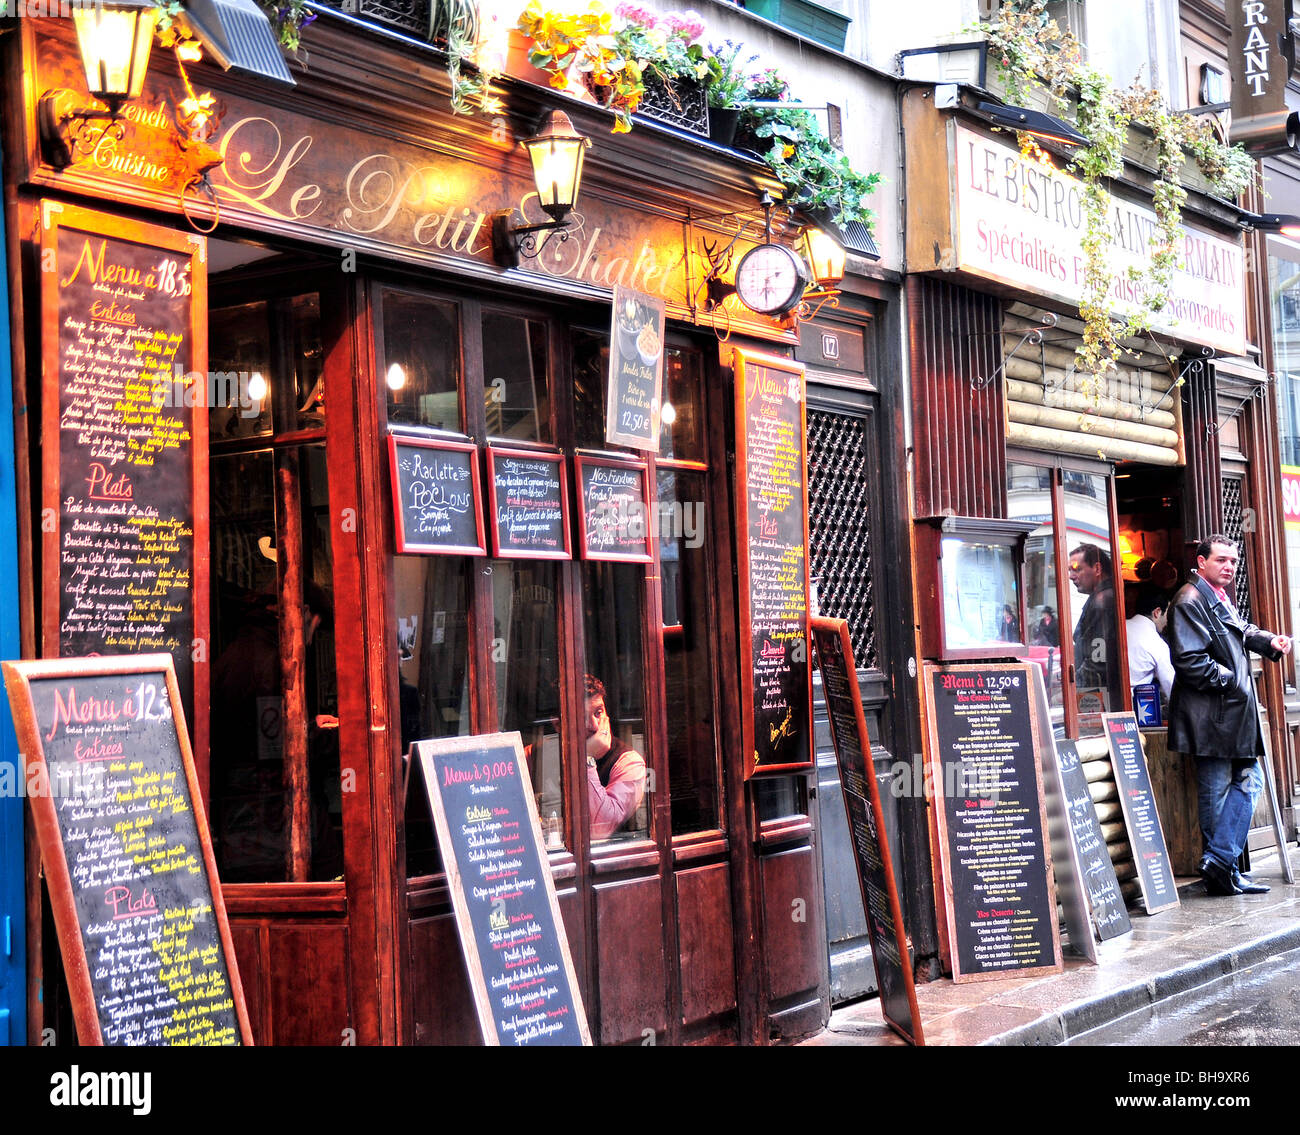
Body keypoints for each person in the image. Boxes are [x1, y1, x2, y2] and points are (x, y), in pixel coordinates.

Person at [1166, 535, 1291, 896]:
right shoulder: (1189, 599)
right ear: (1201, 561)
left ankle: (1222, 864)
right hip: (1211, 716)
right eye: (1221, 560)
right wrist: (1232, 681)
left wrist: (1269, 641)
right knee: (1218, 793)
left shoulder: (1216, 596)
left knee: (1246, 781)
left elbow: (1239, 630)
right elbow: (1190, 660)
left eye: (1233, 562)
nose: (1229, 567)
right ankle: (1222, 870)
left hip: (1227, 714)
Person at [584, 674, 646, 840]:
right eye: (581, 717)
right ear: (558, 724)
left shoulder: (630, 762)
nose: (595, 725)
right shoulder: (536, 755)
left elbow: (601, 829)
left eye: (598, 712)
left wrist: (587, 758)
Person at [1068, 543, 1121, 708]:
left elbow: (1098, 659)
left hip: (1099, 698)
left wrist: (1073, 686)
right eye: (1069, 570)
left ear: (1097, 568)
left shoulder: (1103, 602)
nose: (1071, 576)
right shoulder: (1101, 598)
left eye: (1076, 569)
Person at [1126, 586, 1174, 700]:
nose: (1167, 621)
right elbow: (1171, 688)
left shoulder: (1119, 628)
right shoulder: (1157, 644)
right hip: (1138, 709)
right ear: (1157, 612)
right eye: (1167, 614)